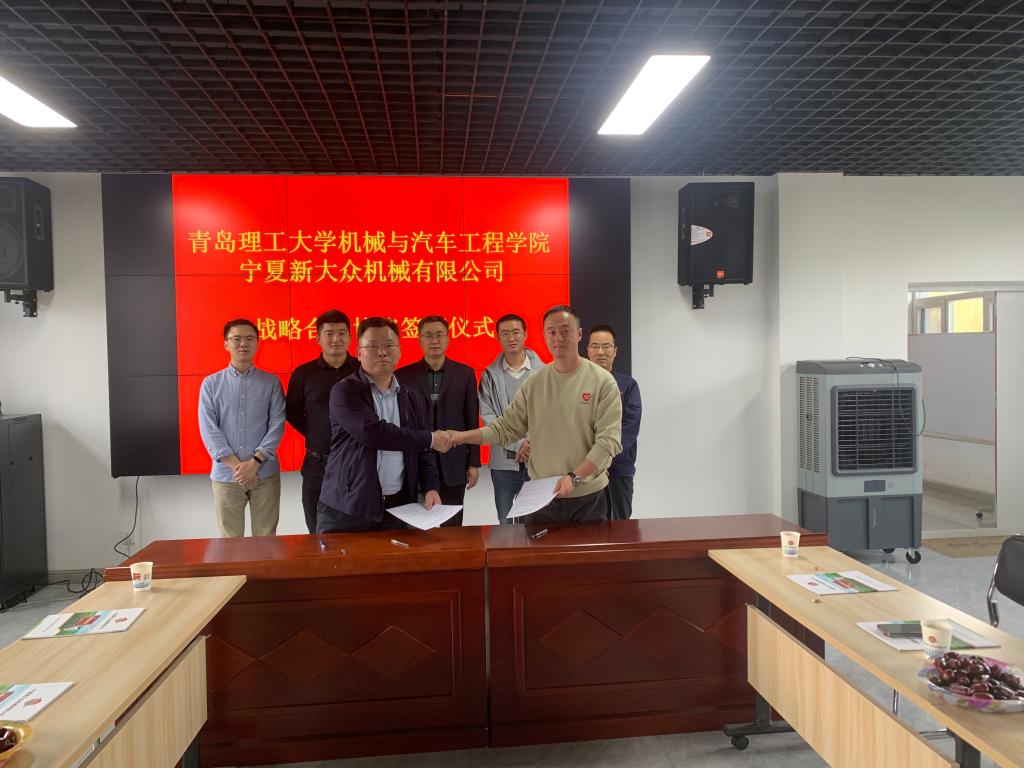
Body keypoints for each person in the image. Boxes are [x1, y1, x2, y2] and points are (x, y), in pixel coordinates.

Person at [448, 305, 622, 524]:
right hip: (542, 498)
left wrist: (574, 477)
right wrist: (461, 437)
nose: (558, 337)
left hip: (588, 499)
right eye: (552, 332)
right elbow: (505, 428)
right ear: (544, 336)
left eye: (565, 330)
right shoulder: (535, 383)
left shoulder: (603, 382)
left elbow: (608, 442)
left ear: (579, 334)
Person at [317, 317, 452, 533]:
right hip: (348, 506)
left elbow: (423, 449)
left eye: (389, 345)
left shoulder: (412, 396)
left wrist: (431, 487)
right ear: (358, 353)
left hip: (397, 507)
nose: (382, 352)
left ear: (399, 351)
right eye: (372, 346)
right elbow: (372, 432)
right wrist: (430, 439)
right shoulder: (345, 391)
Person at [198, 318, 286, 537]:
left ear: (257, 344)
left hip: (265, 475)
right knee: (230, 541)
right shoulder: (211, 384)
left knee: (266, 540)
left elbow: (277, 424)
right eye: (237, 339)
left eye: (249, 339)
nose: (243, 344)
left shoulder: (271, 383)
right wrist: (239, 468)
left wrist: (254, 463)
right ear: (226, 344)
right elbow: (209, 429)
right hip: (226, 476)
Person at [395, 316, 480, 526]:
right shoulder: (402, 376)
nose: (434, 340)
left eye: (439, 335)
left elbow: (472, 420)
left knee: (452, 525)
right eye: (428, 335)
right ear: (419, 340)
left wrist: (473, 463)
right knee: (416, 525)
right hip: (416, 459)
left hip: (454, 460)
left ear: (448, 338)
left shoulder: (465, 374)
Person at [286, 309, 360, 533]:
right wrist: (317, 433)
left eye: (341, 333)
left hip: (357, 465)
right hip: (317, 466)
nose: (336, 339)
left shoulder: (363, 370)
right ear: (318, 338)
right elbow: (293, 413)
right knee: (316, 530)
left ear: (350, 337)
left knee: (358, 532)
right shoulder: (303, 374)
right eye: (329, 334)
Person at [477, 313, 543, 524]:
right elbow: (488, 417)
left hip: (538, 460)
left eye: (516, 332)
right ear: (498, 337)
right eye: (505, 333)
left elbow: (551, 414)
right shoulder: (489, 375)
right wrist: (518, 444)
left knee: (533, 524)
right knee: (505, 523)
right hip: (503, 464)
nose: (511, 338)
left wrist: (530, 442)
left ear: (525, 334)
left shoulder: (545, 372)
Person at [586, 324, 641, 520]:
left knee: (620, 527)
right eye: (595, 346)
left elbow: (629, 430)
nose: (600, 352)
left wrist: (604, 460)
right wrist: (591, 464)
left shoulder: (628, 385)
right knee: (587, 528)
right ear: (587, 350)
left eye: (606, 346)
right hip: (585, 472)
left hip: (618, 470)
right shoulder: (578, 385)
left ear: (615, 351)